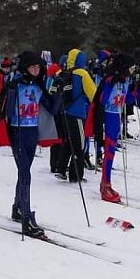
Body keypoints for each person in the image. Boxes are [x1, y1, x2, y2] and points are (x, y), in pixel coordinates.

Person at [0, 51, 60, 237]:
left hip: (32, 133)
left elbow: (52, 109)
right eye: (32, 67)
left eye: (38, 67)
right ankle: (26, 218)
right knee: (25, 174)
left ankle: (17, 208)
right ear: (25, 68)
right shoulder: (15, 86)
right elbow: (6, 114)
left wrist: (58, 93)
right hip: (18, 133)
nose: (36, 70)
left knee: (24, 172)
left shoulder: (39, 86)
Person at [86, 53, 135, 203]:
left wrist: (135, 90)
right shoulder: (110, 80)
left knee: (111, 152)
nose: (133, 69)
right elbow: (101, 100)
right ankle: (105, 184)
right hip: (108, 116)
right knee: (109, 152)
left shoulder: (125, 80)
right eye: (131, 67)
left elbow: (127, 99)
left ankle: (106, 183)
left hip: (116, 116)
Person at [54, 49, 96, 183]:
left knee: (68, 141)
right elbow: (93, 94)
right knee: (80, 144)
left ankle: (60, 168)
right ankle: (75, 174)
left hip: (64, 112)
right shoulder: (82, 73)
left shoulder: (64, 73)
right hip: (77, 113)